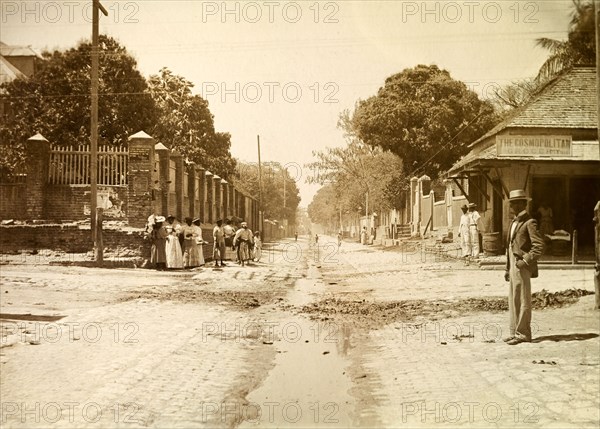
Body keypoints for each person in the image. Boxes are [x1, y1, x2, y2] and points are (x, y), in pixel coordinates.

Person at [504, 189, 544, 345]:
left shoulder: (530, 222)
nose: (511, 206)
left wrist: (526, 261)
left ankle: (524, 333)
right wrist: (507, 268)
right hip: (513, 265)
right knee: (513, 299)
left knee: (523, 299)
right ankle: (514, 331)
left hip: (522, 266)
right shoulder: (514, 222)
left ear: (522, 204)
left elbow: (538, 246)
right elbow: (509, 247)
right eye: (511, 203)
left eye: (514, 203)